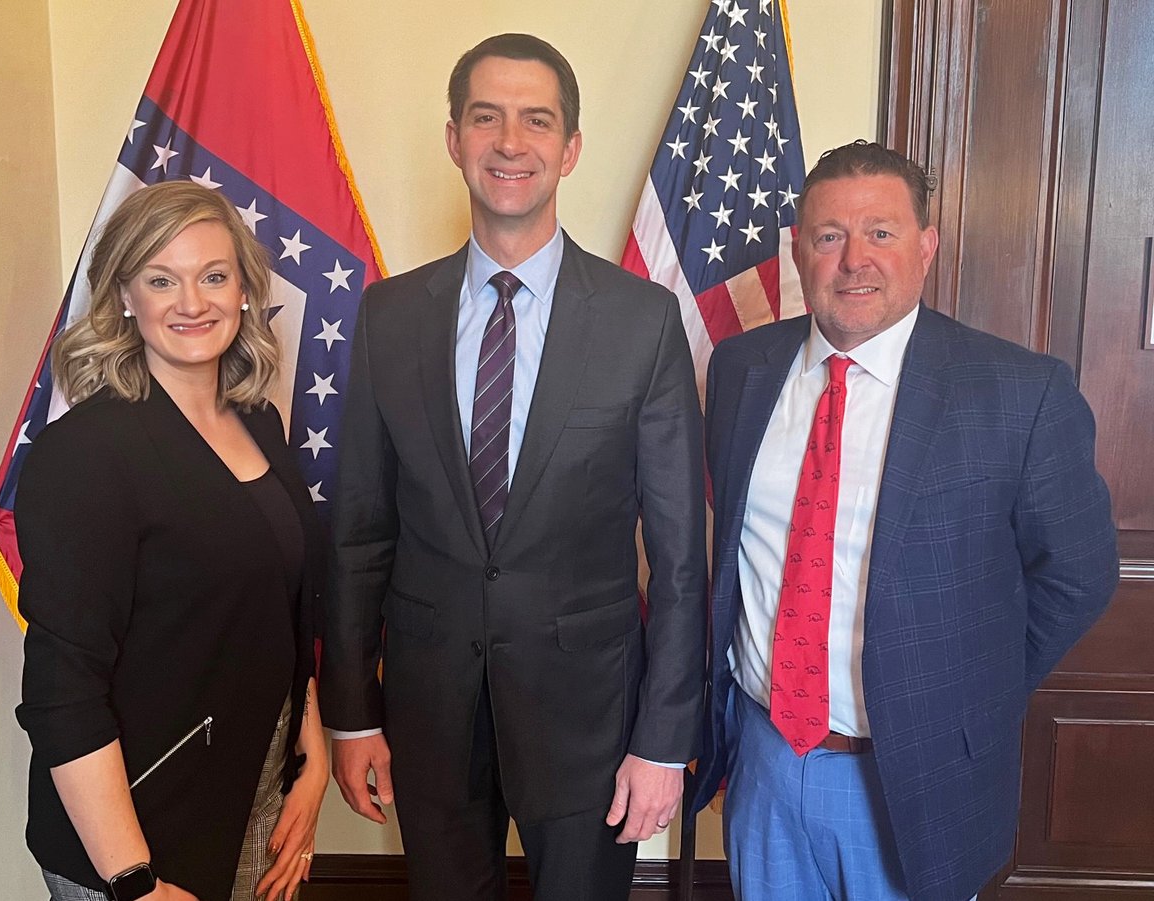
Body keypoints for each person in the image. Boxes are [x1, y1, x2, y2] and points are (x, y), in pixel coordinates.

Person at [320, 33, 707, 901]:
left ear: (569, 149)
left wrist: (663, 738)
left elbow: (681, 555)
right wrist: (350, 712)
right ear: (453, 138)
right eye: (486, 117)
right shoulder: (389, 316)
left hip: (592, 721)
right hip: (428, 709)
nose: (510, 141)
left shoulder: (642, 321)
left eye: (537, 120)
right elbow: (357, 535)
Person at [693, 141, 1118, 901]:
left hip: (913, 776)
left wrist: (965, 689)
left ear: (926, 246)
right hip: (762, 756)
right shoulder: (739, 371)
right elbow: (732, 557)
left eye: (881, 233)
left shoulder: (1020, 393)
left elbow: (1080, 575)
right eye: (829, 236)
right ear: (798, 251)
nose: (855, 259)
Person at [15, 181, 329, 901]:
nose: (193, 302)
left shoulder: (258, 423)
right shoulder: (85, 454)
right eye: (162, 279)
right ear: (125, 296)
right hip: (134, 834)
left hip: (254, 788)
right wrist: (133, 880)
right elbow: (64, 691)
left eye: (213, 276)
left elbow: (283, 609)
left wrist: (310, 757)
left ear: (245, 289)